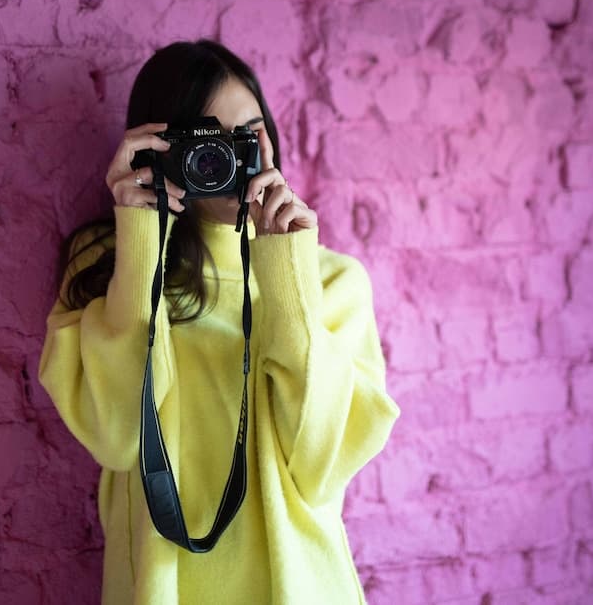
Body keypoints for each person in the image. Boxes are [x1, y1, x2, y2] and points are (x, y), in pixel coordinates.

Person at [37, 39, 400, 604]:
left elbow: (320, 466)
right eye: (206, 142)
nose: (227, 158)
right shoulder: (109, 264)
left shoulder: (332, 280)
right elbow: (117, 437)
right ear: (161, 149)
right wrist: (141, 234)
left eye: (247, 135)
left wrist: (286, 266)